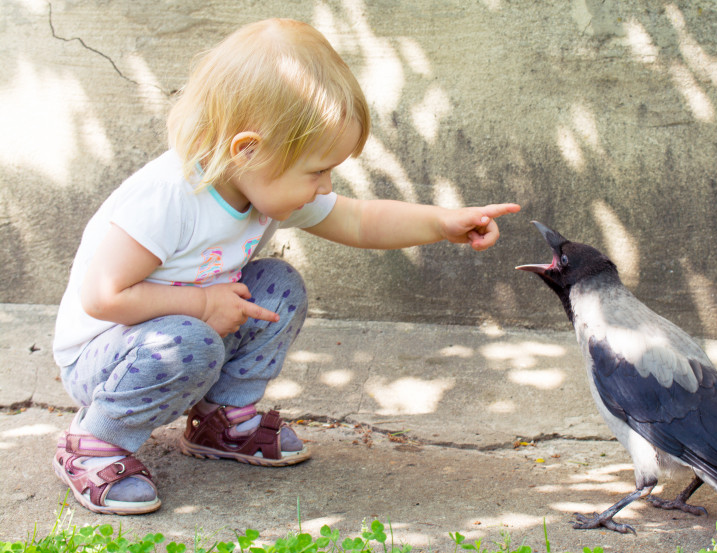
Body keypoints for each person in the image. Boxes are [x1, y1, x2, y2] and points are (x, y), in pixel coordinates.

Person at [50, 18, 521, 515]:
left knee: (278, 285)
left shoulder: (258, 184)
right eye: (318, 170)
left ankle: (221, 421)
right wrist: (203, 303)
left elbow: (359, 220)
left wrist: (440, 223)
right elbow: (104, 296)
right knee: (190, 340)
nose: (325, 186)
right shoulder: (169, 196)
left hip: (190, 332)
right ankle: (93, 442)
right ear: (248, 150)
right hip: (108, 358)